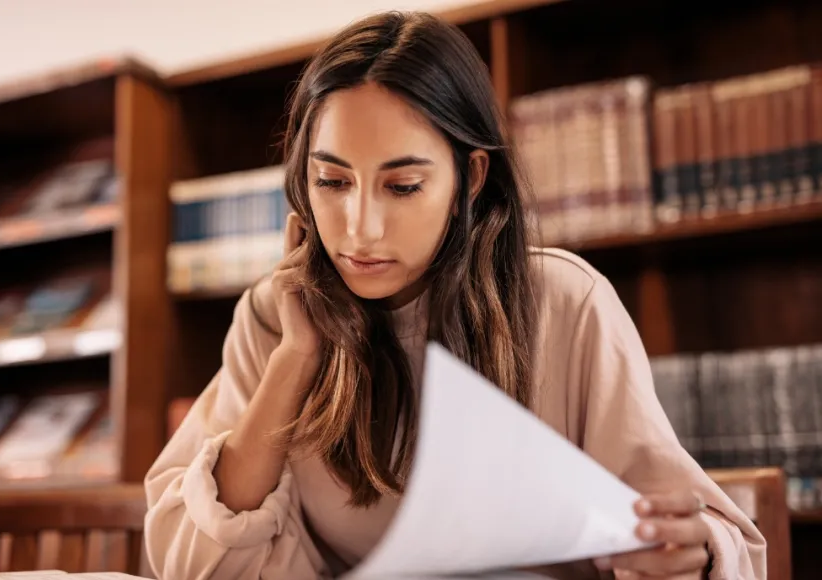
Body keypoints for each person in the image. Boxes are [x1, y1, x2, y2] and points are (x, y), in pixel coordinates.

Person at [144, 10, 765, 580]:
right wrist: (295, 359)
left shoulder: (565, 304)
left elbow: (703, 538)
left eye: (404, 186)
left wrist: (685, 553)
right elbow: (190, 560)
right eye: (331, 181)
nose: (360, 227)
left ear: (470, 178)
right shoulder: (274, 315)